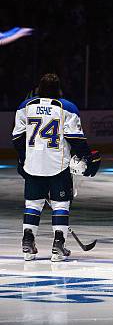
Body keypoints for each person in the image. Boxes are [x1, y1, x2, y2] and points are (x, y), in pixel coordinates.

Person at [12, 73, 100, 261]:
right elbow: (76, 139)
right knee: (61, 205)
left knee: (33, 205)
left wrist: (22, 160)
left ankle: (28, 243)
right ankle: (58, 245)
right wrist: (86, 157)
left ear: (38, 89)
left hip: (33, 165)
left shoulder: (25, 107)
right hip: (58, 166)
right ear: (59, 89)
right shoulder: (67, 108)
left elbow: (18, 138)